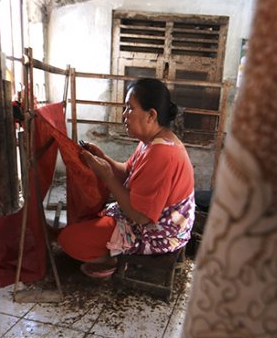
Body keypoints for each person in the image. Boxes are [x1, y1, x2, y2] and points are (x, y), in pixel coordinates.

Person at [57, 78, 195, 278]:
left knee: (69, 240)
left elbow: (140, 216)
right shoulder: (152, 142)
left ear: (151, 115)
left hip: (160, 233)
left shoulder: (162, 153)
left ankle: (112, 258)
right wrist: (103, 158)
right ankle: (110, 247)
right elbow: (128, 172)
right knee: (82, 224)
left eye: (130, 108)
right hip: (146, 218)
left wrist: (106, 176)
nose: (124, 115)